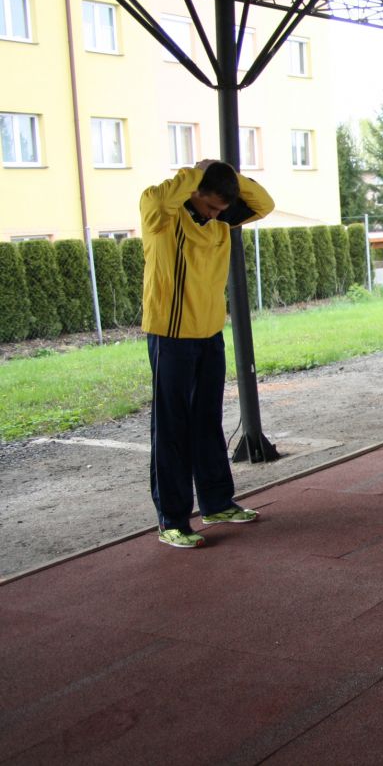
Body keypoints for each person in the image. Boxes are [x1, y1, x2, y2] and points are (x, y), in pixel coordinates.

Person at [140, 160, 274, 549]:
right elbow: (160, 201)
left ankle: (216, 504)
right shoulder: (161, 213)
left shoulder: (220, 219)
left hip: (209, 334)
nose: (217, 215)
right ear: (194, 191)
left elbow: (264, 203)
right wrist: (195, 174)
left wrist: (227, 176)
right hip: (170, 336)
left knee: (207, 422)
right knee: (172, 429)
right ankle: (172, 520)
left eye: (221, 209)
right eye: (211, 206)